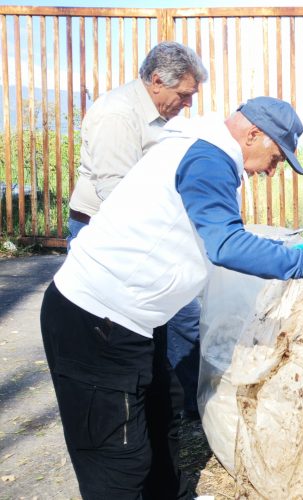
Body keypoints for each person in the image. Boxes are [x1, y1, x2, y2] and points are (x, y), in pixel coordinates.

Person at [40, 96, 303, 499]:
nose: (271, 170)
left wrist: (274, 249)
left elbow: (212, 231)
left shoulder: (204, 150)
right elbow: (226, 245)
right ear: (253, 134)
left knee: (161, 415)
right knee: (118, 455)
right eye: (276, 158)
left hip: (136, 318)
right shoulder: (208, 159)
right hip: (97, 321)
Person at [67, 41, 207, 419]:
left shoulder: (162, 115)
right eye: (184, 94)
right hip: (106, 235)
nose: (188, 103)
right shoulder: (117, 115)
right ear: (157, 81)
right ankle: (118, 414)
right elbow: (115, 192)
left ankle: (195, 407)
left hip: (145, 235)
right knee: (114, 331)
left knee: (182, 318)